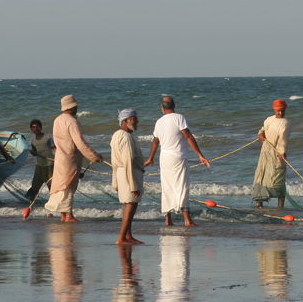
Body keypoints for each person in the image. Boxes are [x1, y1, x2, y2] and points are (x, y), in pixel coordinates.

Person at [144, 95, 211, 226]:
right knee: (181, 186)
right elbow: (188, 136)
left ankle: (168, 219)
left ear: (162, 108)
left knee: (166, 187)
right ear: (174, 106)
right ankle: (187, 220)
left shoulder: (159, 121)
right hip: (177, 157)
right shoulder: (179, 117)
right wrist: (200, 154)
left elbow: (155, 141)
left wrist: (151, 158)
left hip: (164, 158)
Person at [44, 95, 103, 222]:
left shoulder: (57, 120)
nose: (77, 107)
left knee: (62, 185)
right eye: (75, 106)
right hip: (70, 159)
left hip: (60, 158)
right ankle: (69, 215)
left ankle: (64, 215)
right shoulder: (71, 121)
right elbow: (80, 143)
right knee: (68, 186)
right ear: (71, 107)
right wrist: (94, 156)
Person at [111, 108, 145, 245]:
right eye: (134, 119)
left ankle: (128, 236)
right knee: (130, 205)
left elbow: (114, 162)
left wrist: (115, 181)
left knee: (131, 205)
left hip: (123, 173)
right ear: (125, 121)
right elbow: (128, 161)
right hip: (128, 174)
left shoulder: (119, 135)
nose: (137, 122)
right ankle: (121, 237)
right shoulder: (124, 136)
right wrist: (133, 185)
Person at [253, 99, 290, 209]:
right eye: (278, 111)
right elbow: (263, 129)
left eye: (282, 111)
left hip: (277, 154)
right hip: (265, 153)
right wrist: (261, 134)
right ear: (274, 110)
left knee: (277, 178)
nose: (280, 113)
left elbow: (283, 140)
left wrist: (282, 152)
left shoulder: (286, 123)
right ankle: (259, 205)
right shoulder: (269, 120)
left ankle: (280, 207)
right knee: (261, 177)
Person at [26, 119, 56, 202]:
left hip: (50, 165)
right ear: (31, 129)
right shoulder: (33, 141)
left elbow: (54, 149)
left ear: (41, 127)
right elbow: (35, 153)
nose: (36, 129)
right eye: (33, 127)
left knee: (51, 185)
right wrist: (33, 153)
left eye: (37, 127)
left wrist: (59, 159)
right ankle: (31, 203)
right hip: (39, 165)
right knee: (35, 185)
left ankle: (54, 202)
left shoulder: (47, 138)